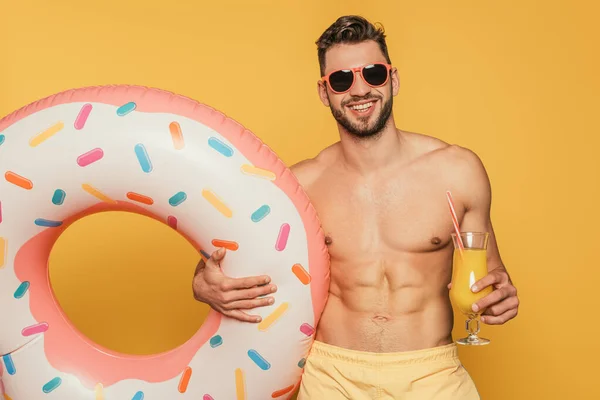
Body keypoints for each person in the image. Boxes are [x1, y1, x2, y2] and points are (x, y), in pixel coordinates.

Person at [192, 15, 520, 399]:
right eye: (342, 80)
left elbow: (490, 274)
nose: (360, 89)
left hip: (432, 376)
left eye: (373, 74)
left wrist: (501, 296)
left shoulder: (458, 171)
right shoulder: (298, 186)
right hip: (332, 378)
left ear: (393, 79)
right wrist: (201, 284)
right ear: (324, 91)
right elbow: (227, 262)